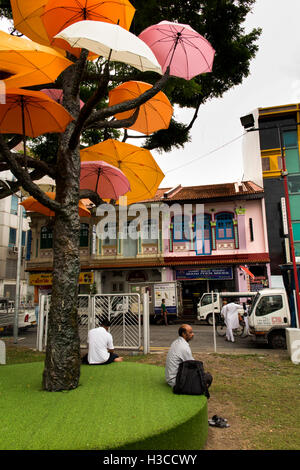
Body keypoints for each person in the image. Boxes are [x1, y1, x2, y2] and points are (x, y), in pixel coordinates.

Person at [165, 323, 212, 389]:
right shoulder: (183, 347)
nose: (193, 334)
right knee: (207, 378)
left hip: (170, 377)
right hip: (175, 381)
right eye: (190, 332)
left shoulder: (176, 342)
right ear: (184, 334)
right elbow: (193, 365)